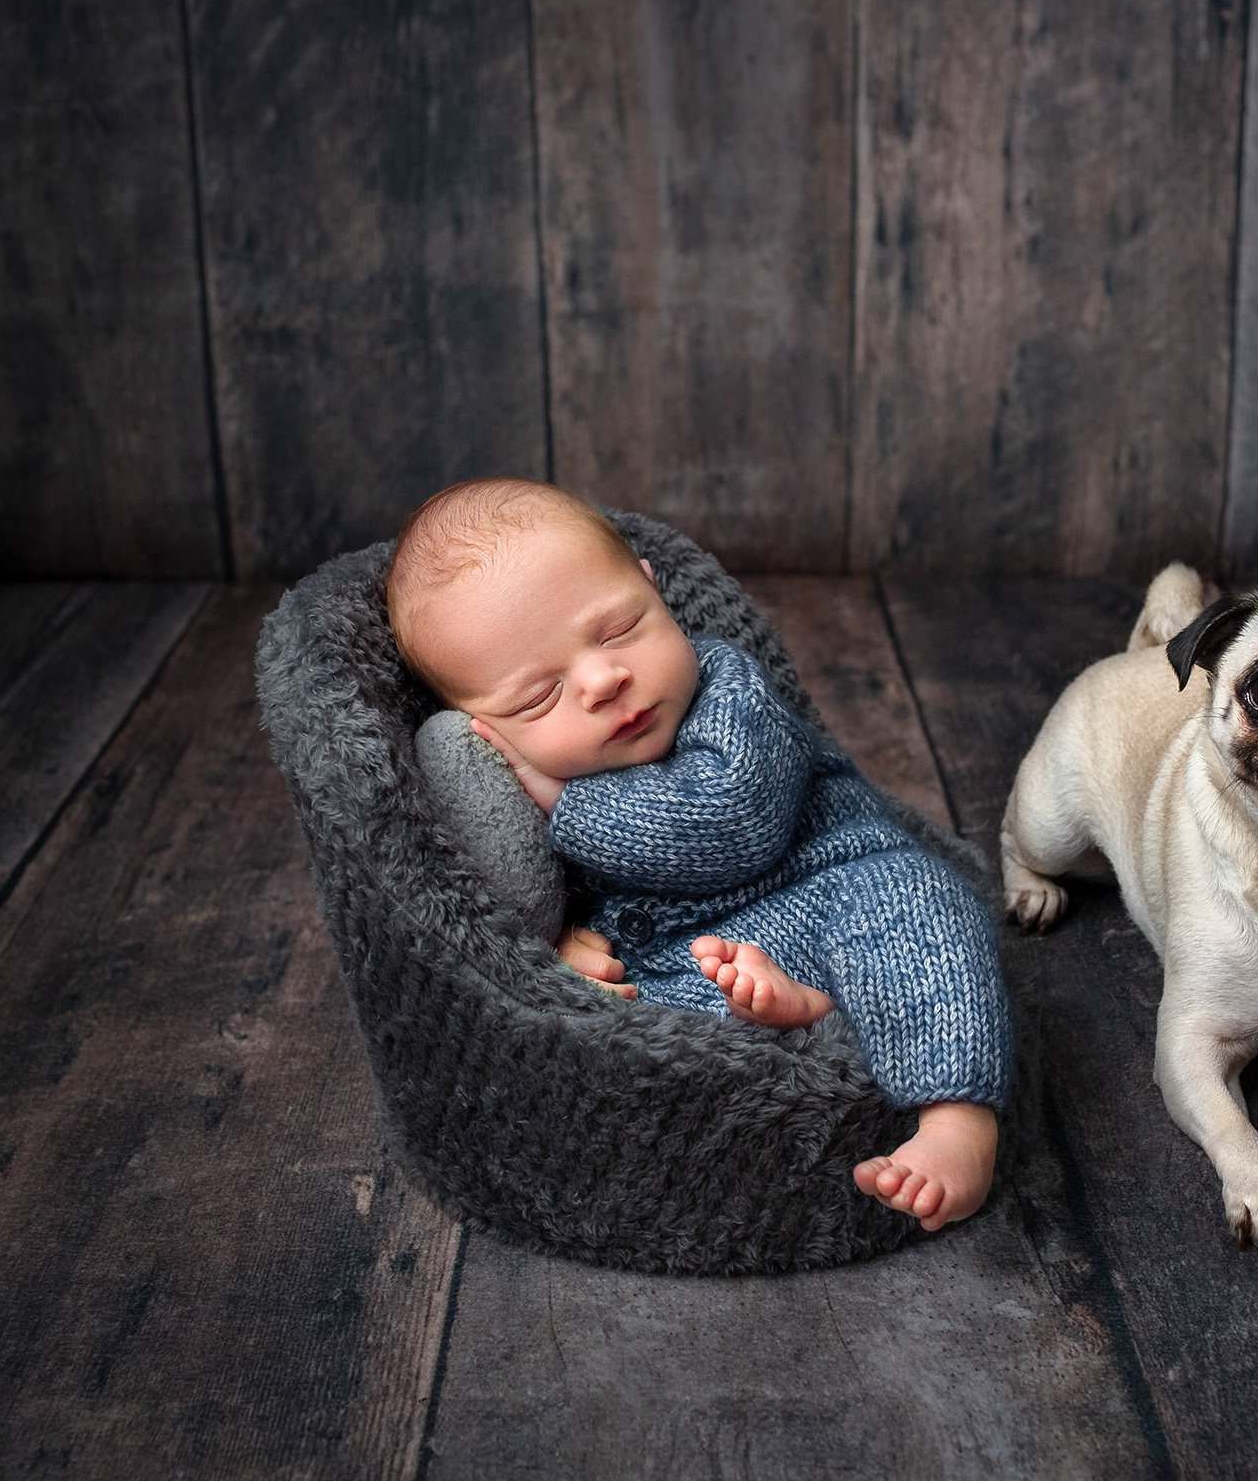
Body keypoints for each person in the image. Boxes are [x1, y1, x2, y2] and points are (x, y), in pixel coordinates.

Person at [385, 477, 1011, 1231]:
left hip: (832, 884)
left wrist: (561, 797)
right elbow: (524, 889)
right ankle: (808, 1017)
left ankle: (957, 1120)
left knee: (922, 908)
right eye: (538, 698)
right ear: (477, 730)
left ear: (655, 591)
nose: (602, 679)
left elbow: (732, 825)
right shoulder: (508, 782)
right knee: (615, 1023)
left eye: (618, 630)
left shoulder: (728, 691)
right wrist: (567, 948)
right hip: (701, 953)